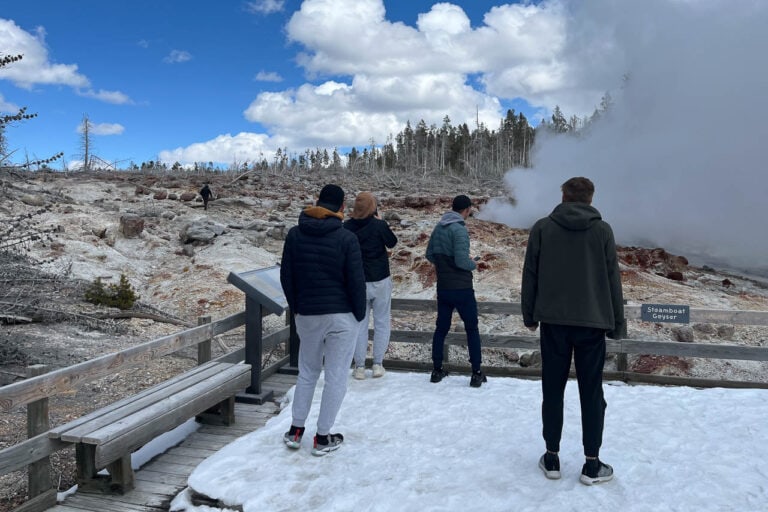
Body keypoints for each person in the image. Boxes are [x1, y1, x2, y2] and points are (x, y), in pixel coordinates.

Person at [521, 176, 625, 485]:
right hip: (592, 324)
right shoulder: (603, 231)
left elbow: (530, 273)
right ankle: (591, 464)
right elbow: (612, 279)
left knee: (552, 390)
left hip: (553, 323)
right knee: (592, 393)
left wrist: (530, 314)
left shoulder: (542, 228)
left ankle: (551, 458)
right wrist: (617, 323)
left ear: (564, 196)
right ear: (591, 199)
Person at [280, 184, 366, 456]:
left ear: (317, 202)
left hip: (307, 315)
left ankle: (295, 431)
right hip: (341, 316)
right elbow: (356, 282)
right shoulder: (346, 238)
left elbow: (287, 277)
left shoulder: (295, 235)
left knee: (307, 372)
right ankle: (323, 437)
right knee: (336, 376)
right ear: (342, 207)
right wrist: (359, 314)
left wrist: (298, 308)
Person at [425, 194, 486, 388]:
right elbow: (461, 261)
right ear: (466, 210)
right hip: (462, 289)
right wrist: (474, 264)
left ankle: (436, 370)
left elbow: (429, 254)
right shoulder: (459, 230)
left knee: (441, 328)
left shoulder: (438, 227)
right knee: (472, 328)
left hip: (444, 287)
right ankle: (476, 373)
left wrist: (444, 266)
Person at [344, 192, 398, 380]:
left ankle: (359, 366)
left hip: (358, 281)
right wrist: (381, 221)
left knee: (360, 324)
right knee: (382, 321)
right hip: (381, 279)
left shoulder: (347, 227)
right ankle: (377, 364)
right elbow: (392, 242)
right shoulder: (378, 225)